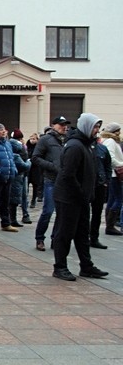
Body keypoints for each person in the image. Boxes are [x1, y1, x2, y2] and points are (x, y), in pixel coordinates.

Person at [51, 113, 108, 281]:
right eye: (94, 126)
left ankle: (86, 266)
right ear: (86, 127)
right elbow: (67, 174)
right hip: (69, 197)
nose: (97, 130)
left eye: (98, 127)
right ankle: (60, 267)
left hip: (81, 198)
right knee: (65, 233)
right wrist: (81, 192)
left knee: (83, 233)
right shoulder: (75, 146)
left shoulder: (88, 145)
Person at [31, 116, 69, 251]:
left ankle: (56, 239)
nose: (64, 127)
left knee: (62, 213)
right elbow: (35, 158)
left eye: (65, 125)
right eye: (61, 125)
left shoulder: (68, 140)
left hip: (64, 181)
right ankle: (39, 238)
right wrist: (52, 166)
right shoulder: (46, 140)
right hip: (51, 179)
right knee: (48, 211)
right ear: (53, 125)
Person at [100, 123, 123, 236]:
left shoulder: (109, 141)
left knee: (112, 199)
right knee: (118, 199)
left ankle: (110, 225)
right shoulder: (111, 141)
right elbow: (111, 158)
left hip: (113, 174)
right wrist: (121, 165)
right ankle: (110, 225)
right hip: (115, 174)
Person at [89, 136, 111, 249]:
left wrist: (106, 181)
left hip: (100, 184)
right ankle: (83, 236)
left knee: (97, 213)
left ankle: (94, 237)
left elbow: (108, 165)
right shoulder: (83, 147)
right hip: (87, 184)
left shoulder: (102, 149)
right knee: (83, 213)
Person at [8, 129, 31, 227]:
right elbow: (25, 165)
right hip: (18, 176)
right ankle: (13, 219)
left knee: (18, 197)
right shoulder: (17, 153)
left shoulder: (11, 149)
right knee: (17, 198)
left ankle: (12, 218)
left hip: (19, 176)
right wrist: (29, 162)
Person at [26, 132, 43, 208]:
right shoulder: (27, 146)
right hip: (28, 168)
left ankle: (33, 200)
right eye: (31, 139)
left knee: (35, 186)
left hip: (36, 169)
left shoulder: (39, 147)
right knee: (26, 185)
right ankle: (25, 200)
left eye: (34, 139)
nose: (32, 140)